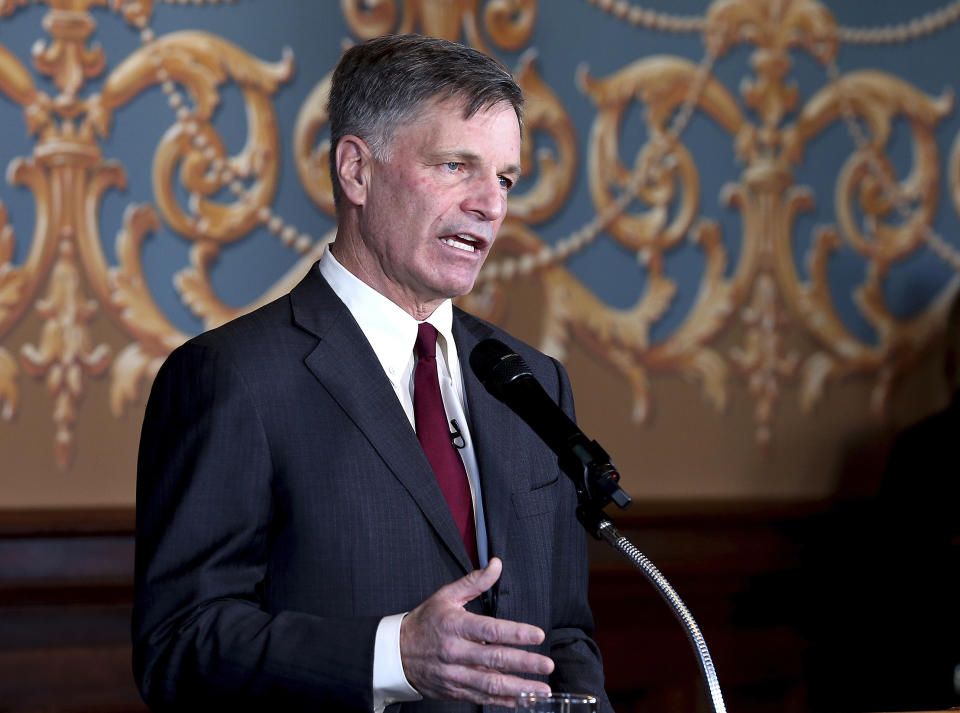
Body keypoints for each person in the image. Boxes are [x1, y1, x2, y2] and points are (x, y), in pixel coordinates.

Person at [133, 34, 612, 713]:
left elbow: (564, 634)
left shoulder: (530, 383)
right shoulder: (232, 378)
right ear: (356, 171)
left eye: (504, 178)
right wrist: (396, 654)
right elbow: (180, 645)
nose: (492, 204)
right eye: (456, 165)